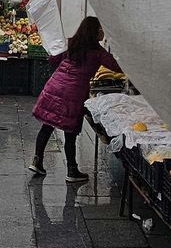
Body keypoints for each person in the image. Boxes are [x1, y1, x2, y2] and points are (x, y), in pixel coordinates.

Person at [29, 16, 121, 182]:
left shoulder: (71, 44)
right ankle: (72, 170)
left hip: (55, 86)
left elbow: (53, 59)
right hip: (73, 93)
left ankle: (37, 161)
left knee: (48, 125)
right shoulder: (98, 53)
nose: (103, 33)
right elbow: (117, 67)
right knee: (70, 131)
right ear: (94, 32)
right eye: (101, 29)